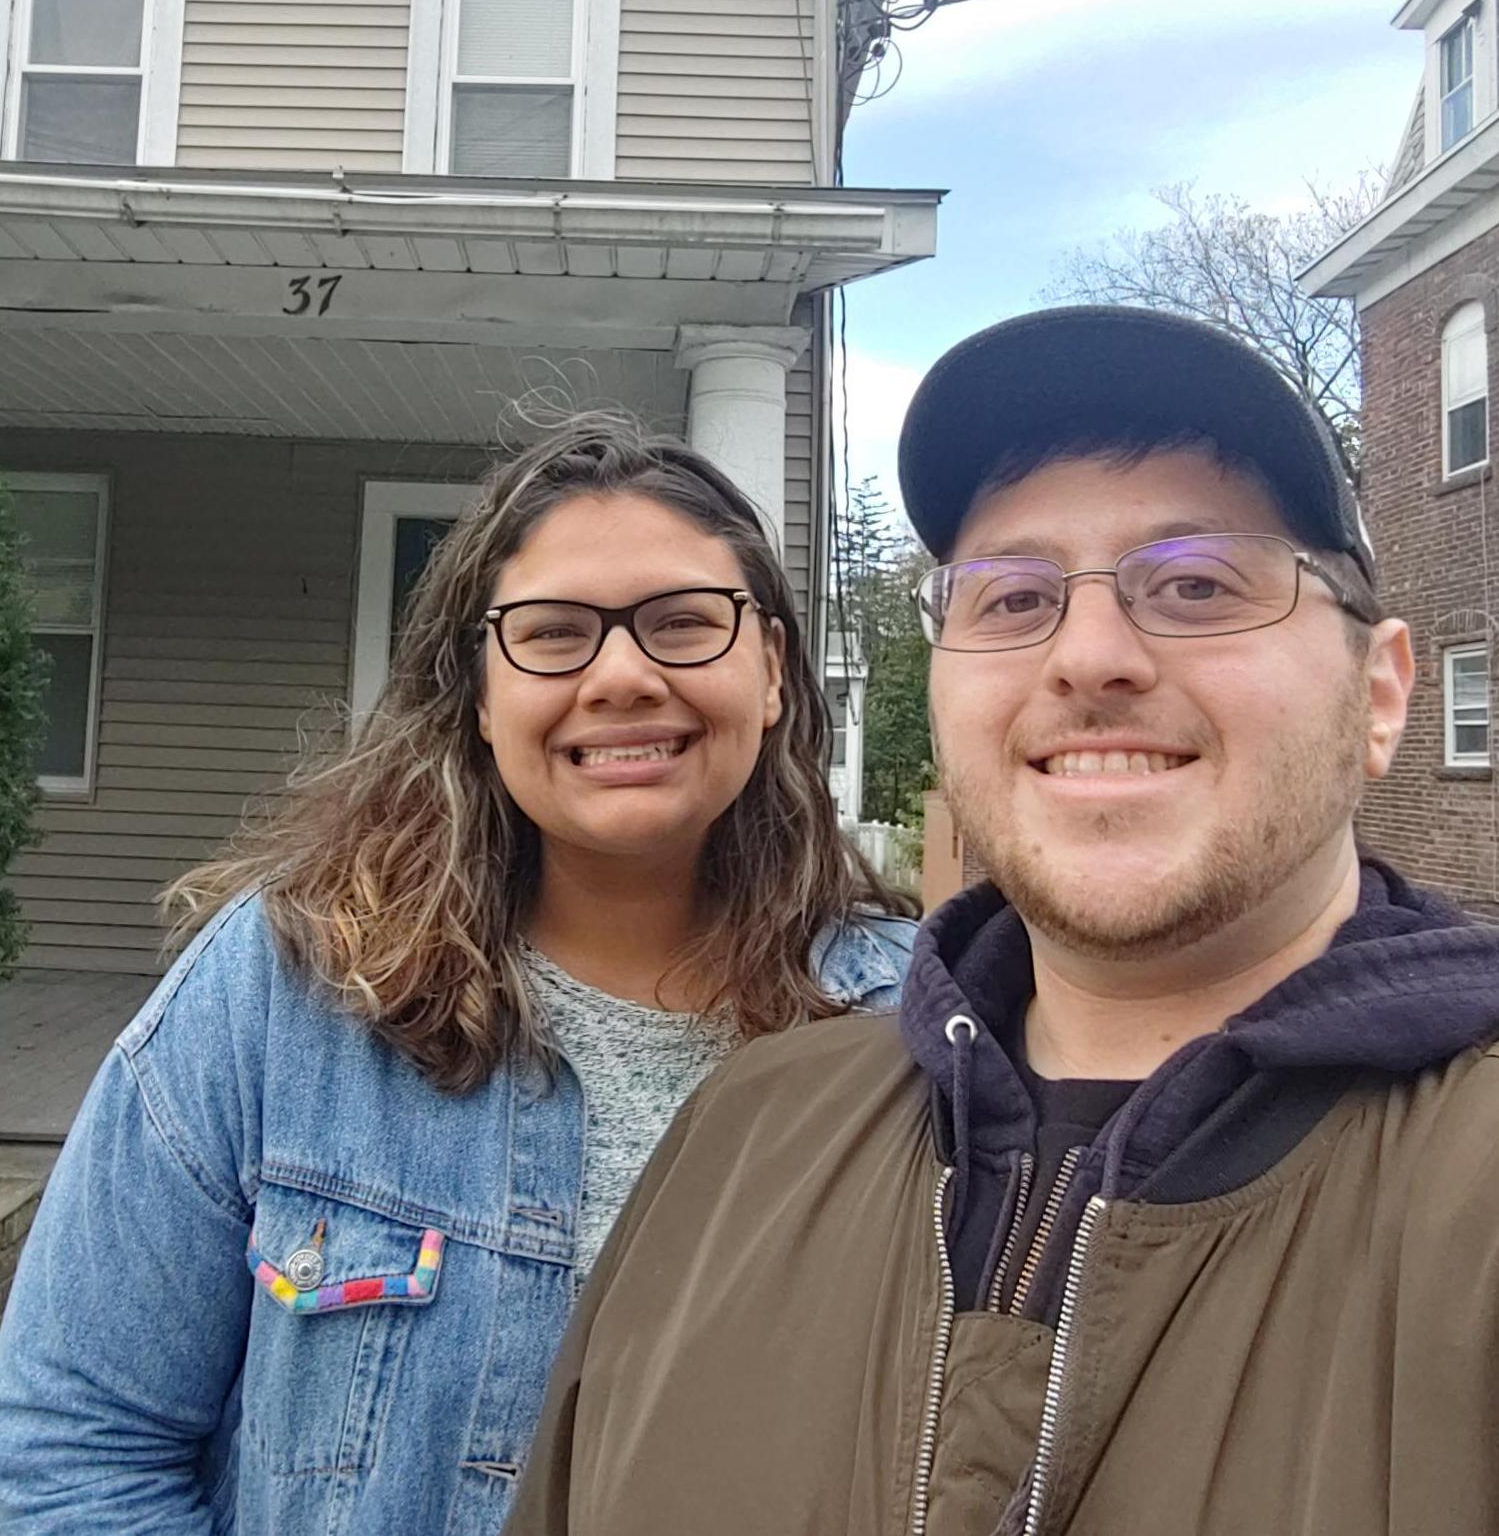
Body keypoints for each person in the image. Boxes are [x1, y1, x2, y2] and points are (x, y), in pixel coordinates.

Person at [506, 307, 1499, 1536]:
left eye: (1196, 584)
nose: (1089, 656)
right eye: (1014, 597)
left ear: (1380, 695)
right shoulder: (746, 1130)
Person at [0, 415, 916, 1536]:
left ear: (770, 670)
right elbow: (74, 1453)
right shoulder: (284, 991)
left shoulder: (919, 1039)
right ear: (478, 695)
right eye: (555, 633)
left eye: (682, 622)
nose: (622, 676)